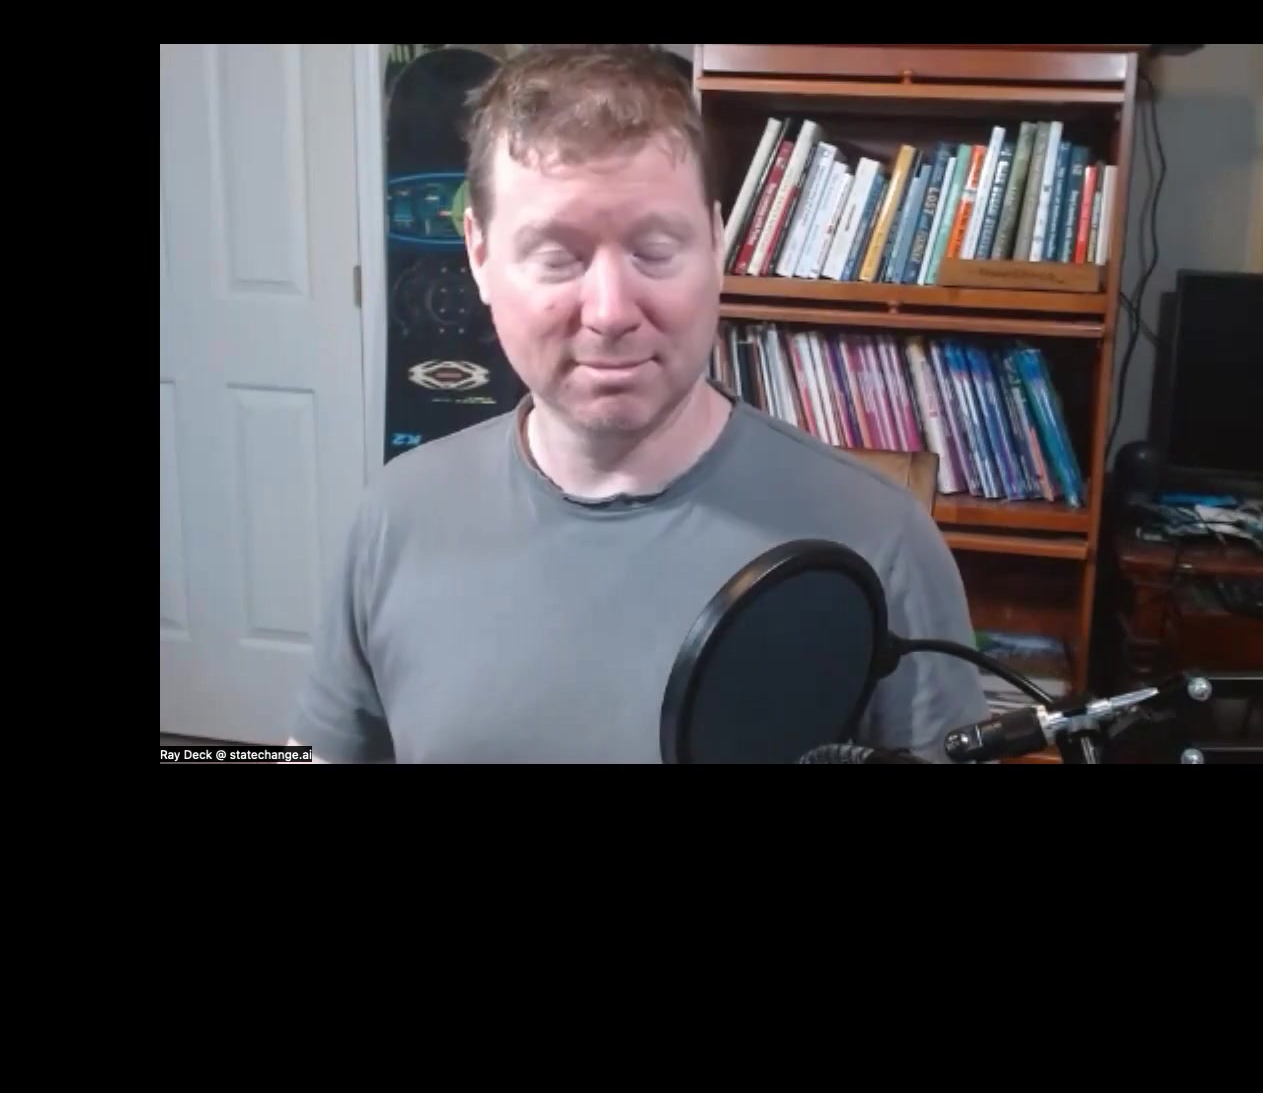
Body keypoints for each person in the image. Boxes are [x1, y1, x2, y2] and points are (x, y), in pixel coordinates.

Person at [290, 44, 985, 762]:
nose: (611, 312)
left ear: (715, 243)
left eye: (654, 250)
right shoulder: (394, 518)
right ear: (480, 255)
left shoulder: (880, 540)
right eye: (557, 257)